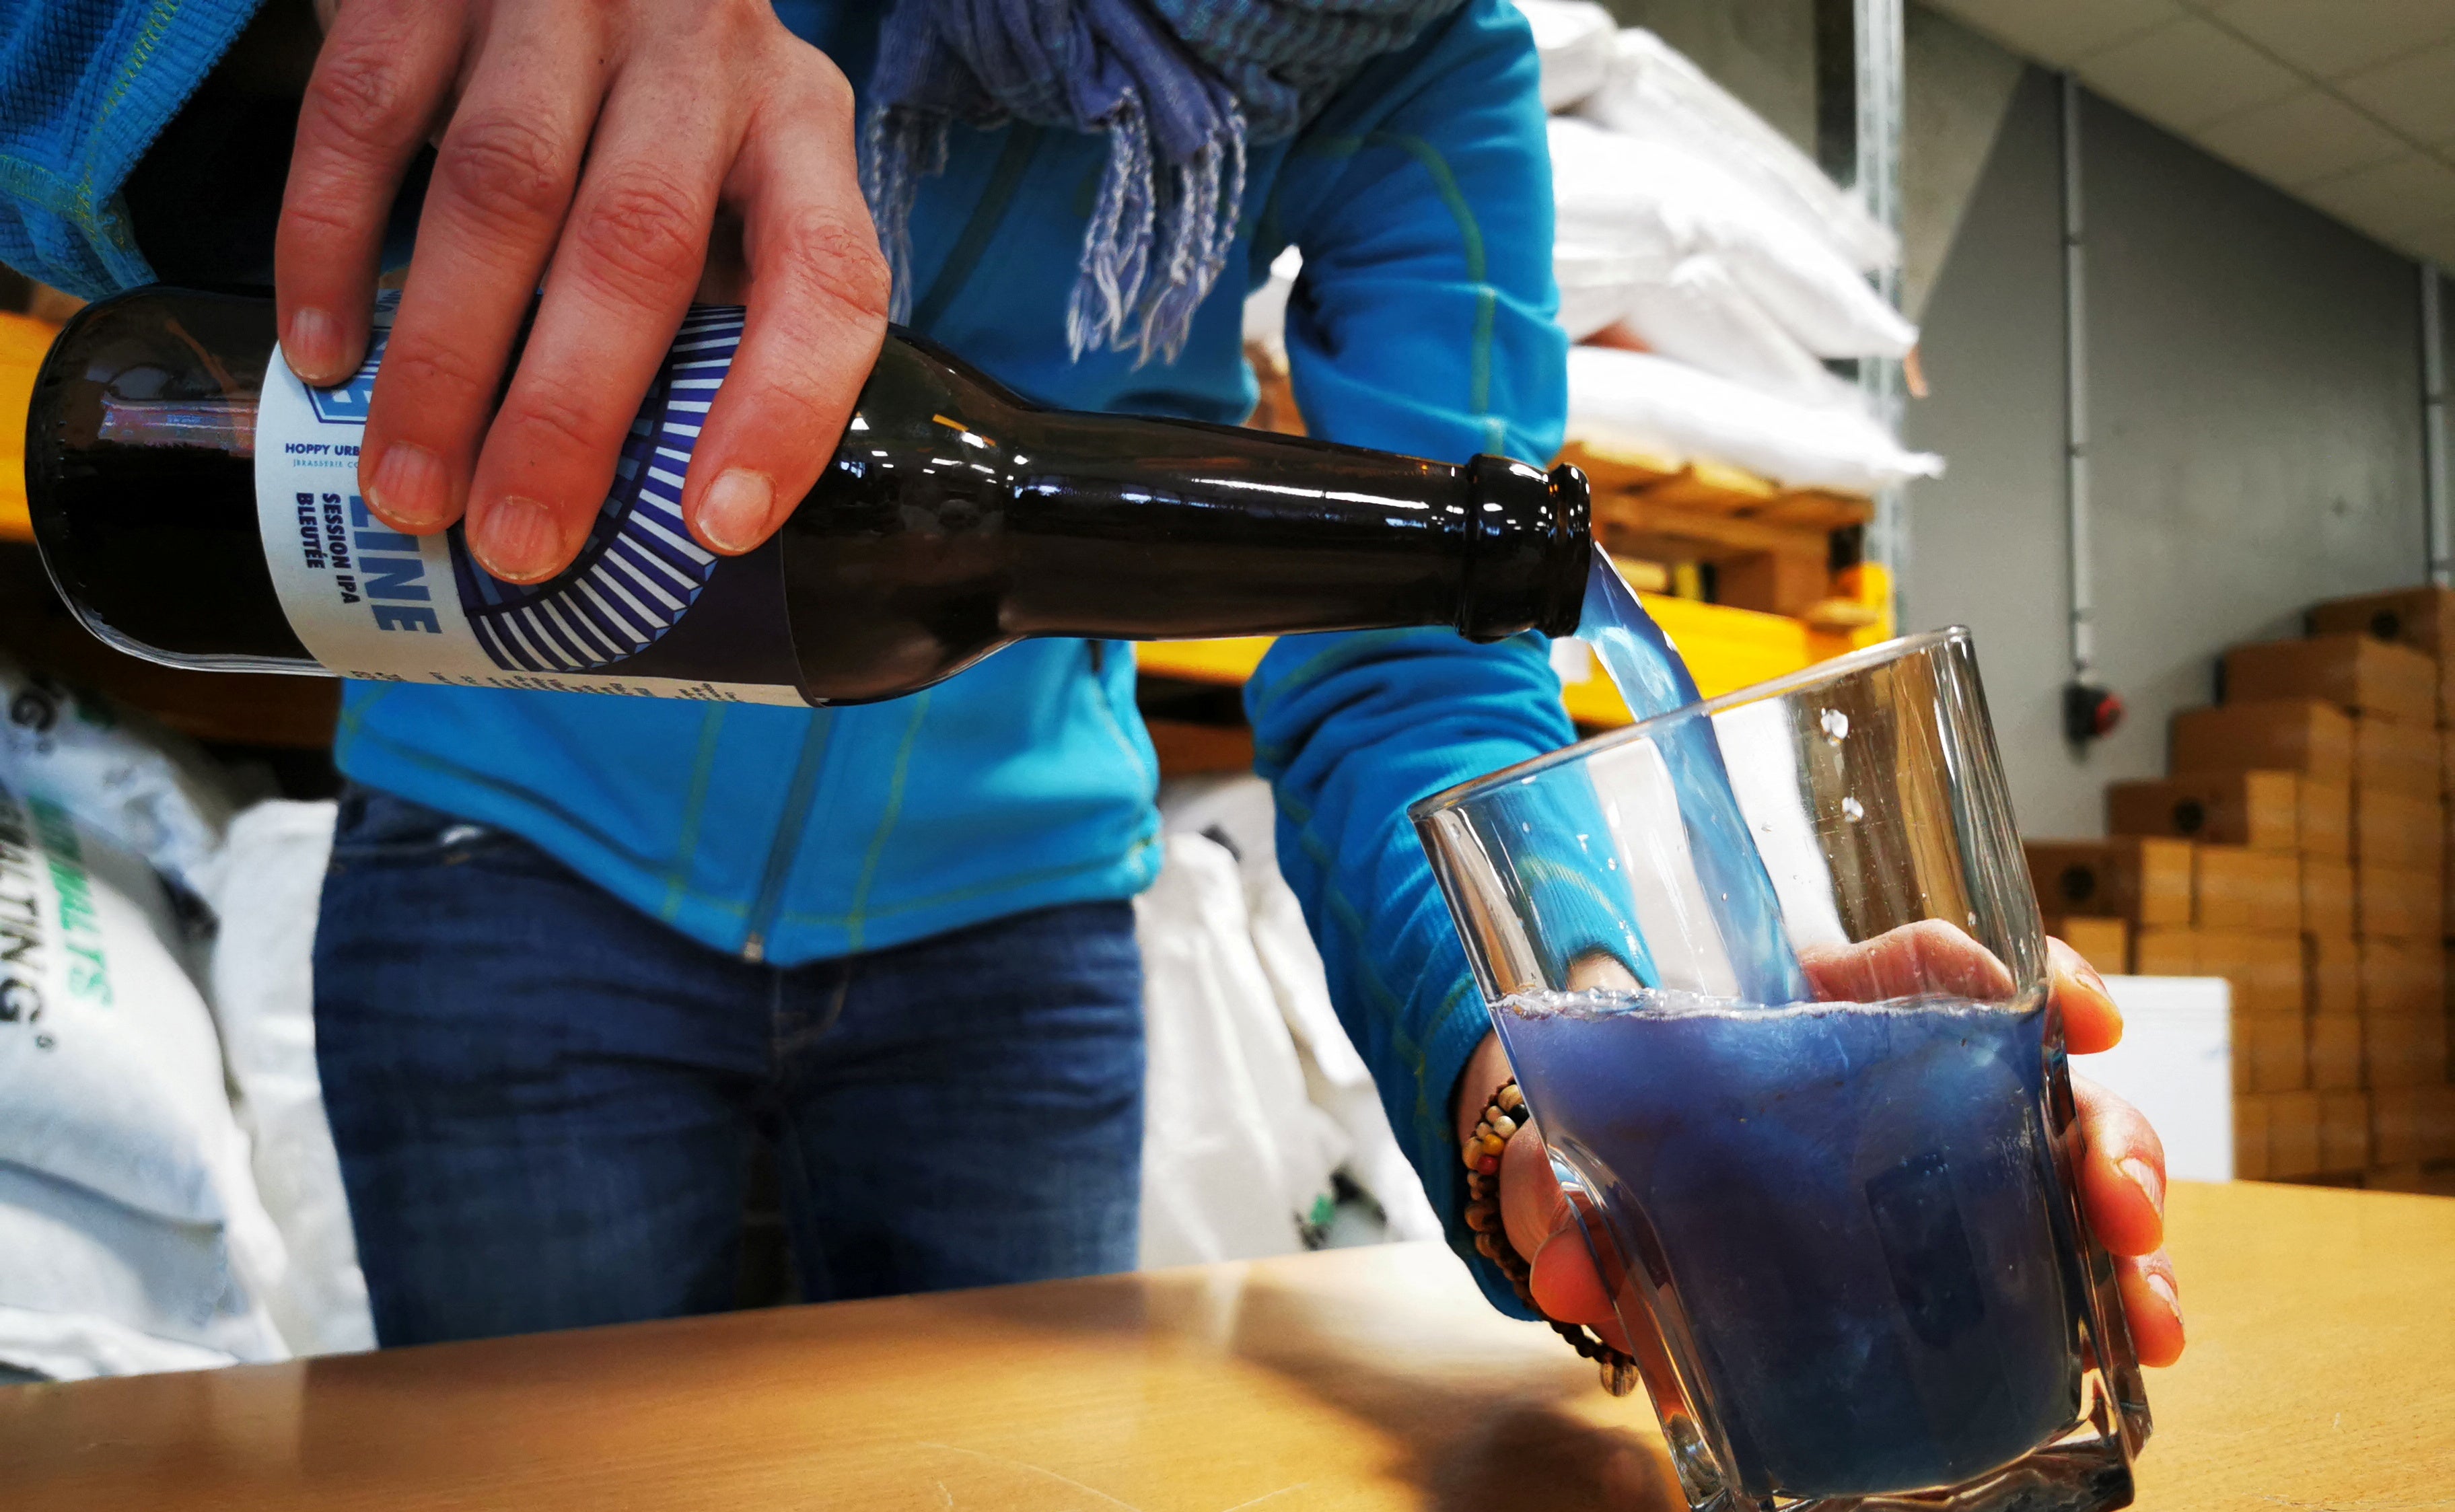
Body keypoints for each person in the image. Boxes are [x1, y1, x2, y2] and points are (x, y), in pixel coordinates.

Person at [1, 0, 2180, 1371]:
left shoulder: (1405, 55)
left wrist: (1576, 1051)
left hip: (1011, 951)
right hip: (503, 875)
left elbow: (1438, 646)